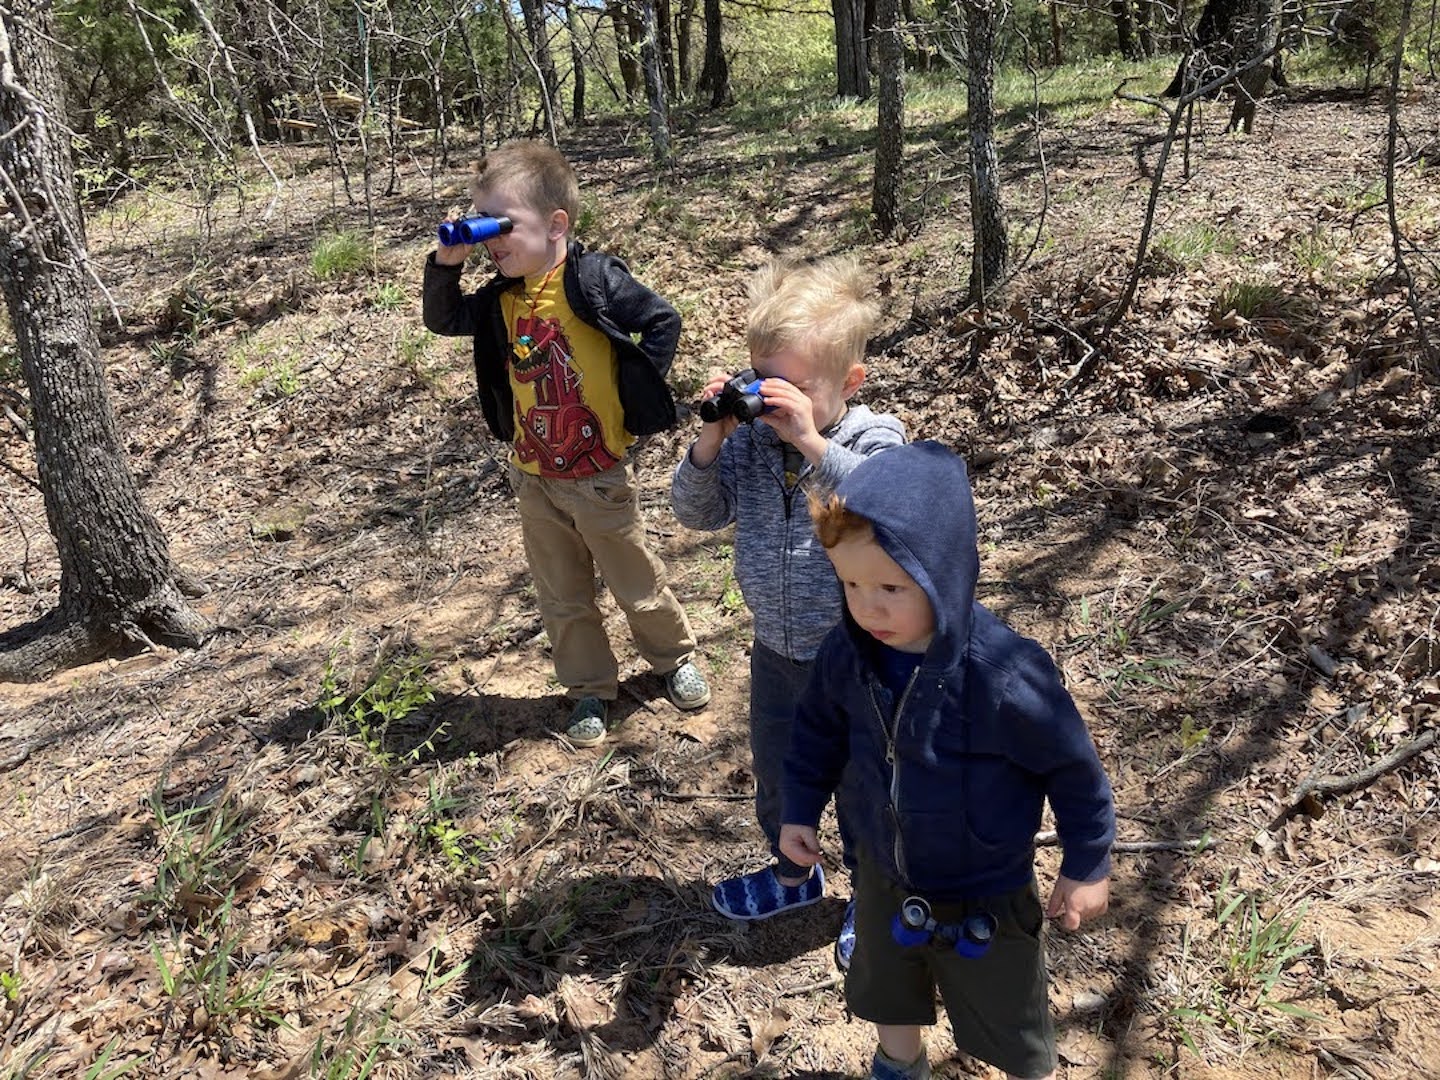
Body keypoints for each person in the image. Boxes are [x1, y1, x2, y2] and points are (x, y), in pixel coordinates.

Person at [779, 440, 1115, 1080]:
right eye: (850, 583)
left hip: (983, 886)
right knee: (887, 987)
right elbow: (815, 735)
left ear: (945, 571)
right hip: (883, 870)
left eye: (891, 586)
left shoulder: (1005, 676)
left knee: (1007, 1014)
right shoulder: (847, 655)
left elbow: (1073, 771)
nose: (868, 606)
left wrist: (1087, 861)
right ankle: (900, 1065)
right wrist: (799, 810)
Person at [422, 140, 709, 748]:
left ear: (557, 225)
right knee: (562, 594)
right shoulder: (501, 298)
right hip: (533, 475)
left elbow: (663, 320)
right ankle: (588, 688)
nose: (493, 242)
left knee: (635, 579)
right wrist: (448, 259)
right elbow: (443, 320)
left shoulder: (592, 278)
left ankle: (673, 657)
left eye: (504, 226)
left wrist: (634, 392)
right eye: (485, 228)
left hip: (599, 471)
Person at [670, 255, 905, 967]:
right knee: (780, 776)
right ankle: (793, 873)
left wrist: (811, 441)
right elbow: (695, 513)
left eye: (795, 390)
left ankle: (875, 896)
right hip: (775, 652)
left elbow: (886, 507)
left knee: (868, 789)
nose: (776, 407)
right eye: (762, 383)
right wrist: (711, 439)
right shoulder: (748, 444)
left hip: (860, 661)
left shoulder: (869, 438)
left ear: (849, 384)